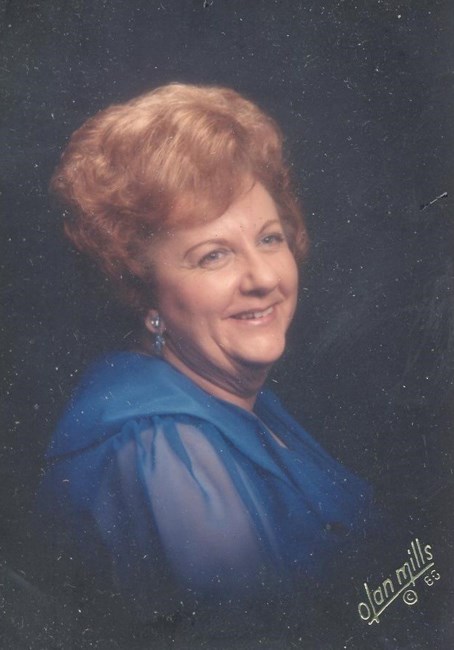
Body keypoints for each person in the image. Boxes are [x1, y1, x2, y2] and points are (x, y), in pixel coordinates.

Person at [36, 83, 379, 641]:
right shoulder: (164, 446)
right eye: (213, 255)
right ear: (141, 290)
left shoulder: (234, 399)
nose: (262, 278)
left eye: (270, 239)